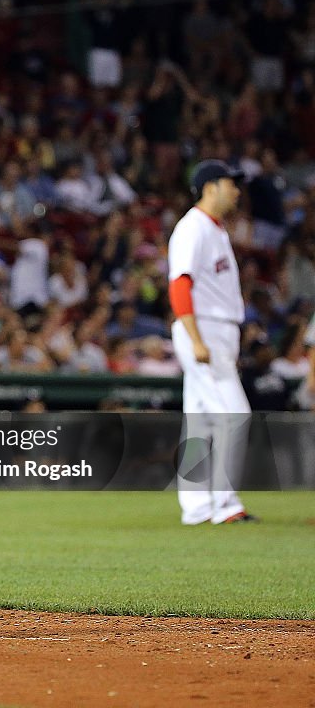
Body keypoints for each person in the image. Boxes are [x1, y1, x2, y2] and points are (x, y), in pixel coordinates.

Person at [167, 160, 257, 525]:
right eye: (229, 183)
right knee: (235, 415)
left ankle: (196, 506)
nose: (236, 190)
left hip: (213, 330)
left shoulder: (215, 230)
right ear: (209, 187)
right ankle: (225, 503)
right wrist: (196, 338)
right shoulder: (193, 228)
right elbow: (179, 284)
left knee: (201, 423)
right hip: (201, 329)